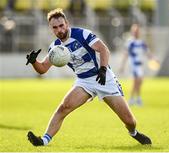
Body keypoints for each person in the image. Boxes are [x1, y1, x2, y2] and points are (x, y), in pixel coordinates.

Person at [26, 8, 152, 146]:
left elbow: (103, 49)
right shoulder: (55, 48)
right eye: (55, 27)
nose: (59, 30)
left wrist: (103, 69)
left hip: (103, 77)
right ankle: (43, 140)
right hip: (84, 81)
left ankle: (134, 133)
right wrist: (34, 62)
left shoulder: (82, 34)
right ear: (51, 29)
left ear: (67, 23)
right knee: (64, 107)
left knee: (129, 121)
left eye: (61, 25)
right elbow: (43, 68)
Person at [120, 24, 157, 106]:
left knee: (139, 82)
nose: (136, 33)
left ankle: (134, 98)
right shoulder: (130, 42)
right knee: (136, 81)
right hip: (132, 64)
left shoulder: (142, 43)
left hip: (139, 65)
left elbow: (148, 53)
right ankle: (135, 99)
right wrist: (122, 66)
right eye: (135, 31)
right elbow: (125, 54)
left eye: (137, 31)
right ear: (132, 32)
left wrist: (154, 59)